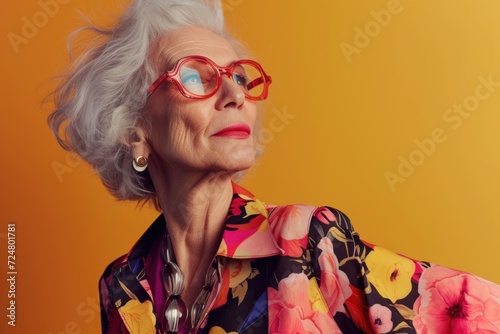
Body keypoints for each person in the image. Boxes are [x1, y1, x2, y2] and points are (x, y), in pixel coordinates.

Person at [48, 0, 500, 333]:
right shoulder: (122, 285)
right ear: (134, 128)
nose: (235, 95)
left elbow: (479, 314)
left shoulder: (305, 241)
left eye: (239, 77)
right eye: (195, 76)